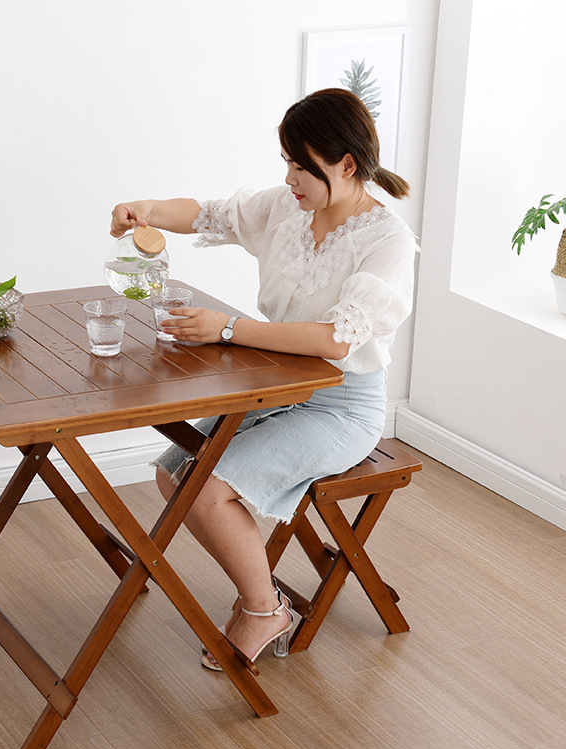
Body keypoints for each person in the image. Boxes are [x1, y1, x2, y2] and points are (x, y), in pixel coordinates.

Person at [109, 88, 417, 670]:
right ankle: (263, 594)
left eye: (302, 166)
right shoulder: (287, 208)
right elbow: (205, 213)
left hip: (339, 405)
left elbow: (334, 339)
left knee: (202, 488)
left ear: (346, 165)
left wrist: (229, 329)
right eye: (287, 163)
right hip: (273, 384)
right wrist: (143, 209)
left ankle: (263, 608)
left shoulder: (389, 244)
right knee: (174, 471)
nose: (291, 178)